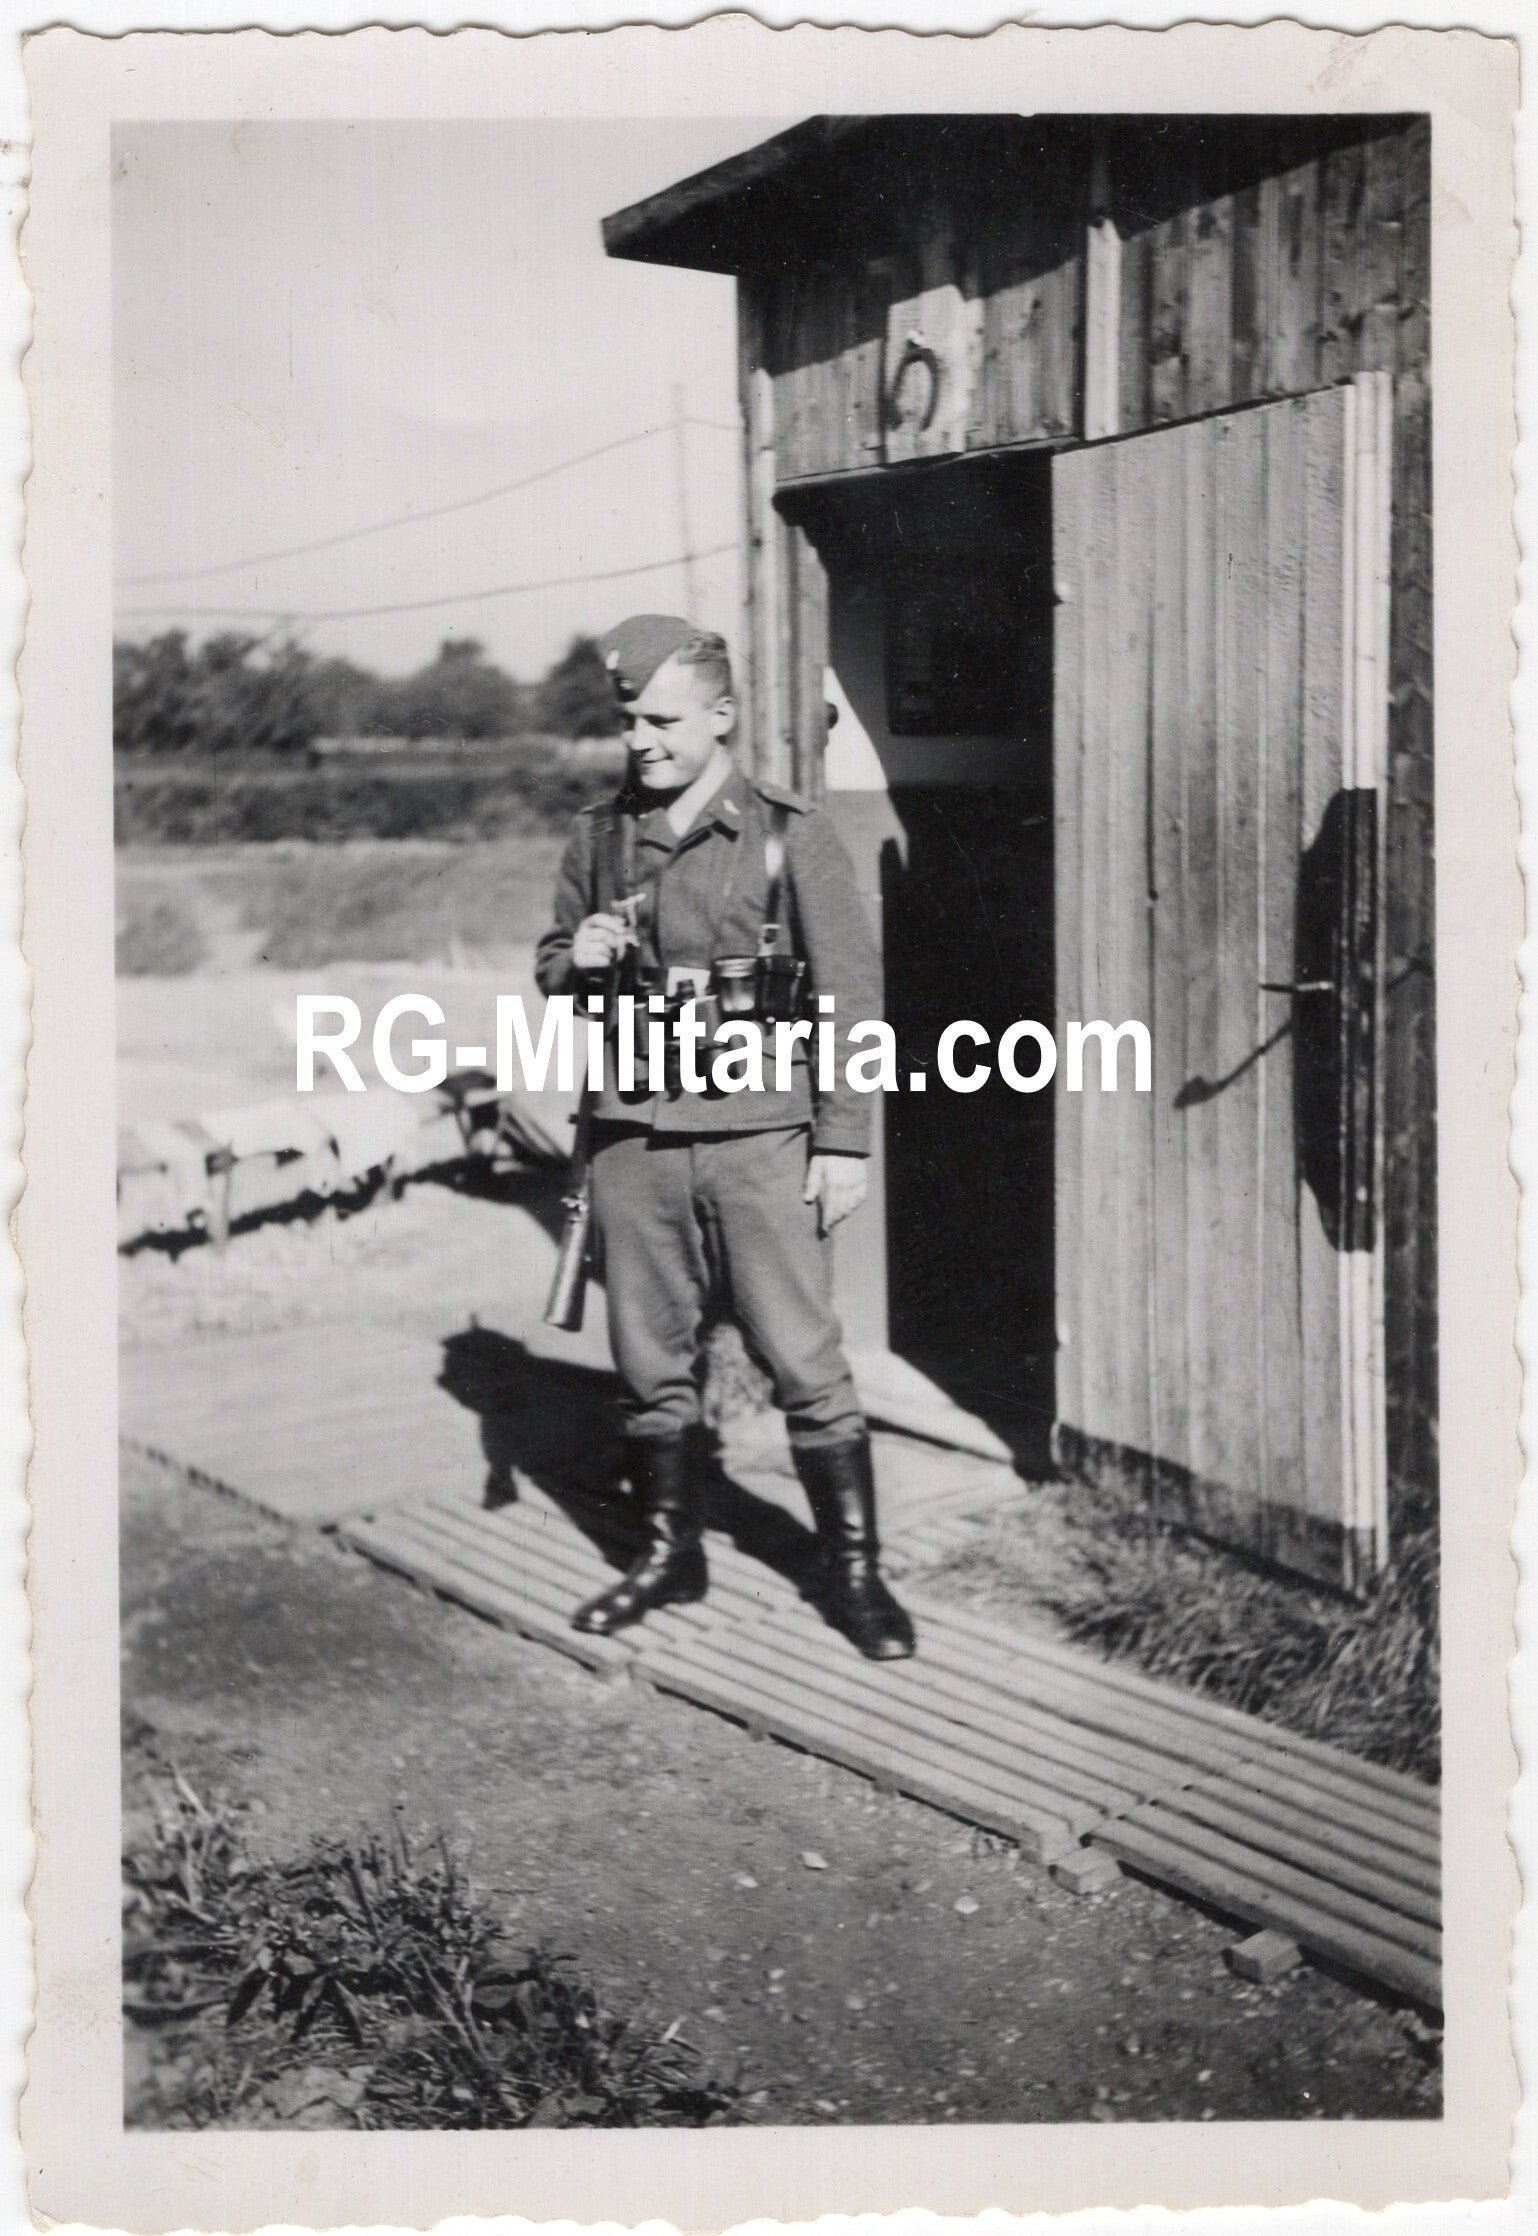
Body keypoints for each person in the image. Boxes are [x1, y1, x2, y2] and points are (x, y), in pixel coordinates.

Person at [534, 613, 916, 1661]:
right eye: (627, 720)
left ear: (721, 716)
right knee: (648, 1357)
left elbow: (850, 999)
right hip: (629, 1138)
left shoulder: (789, 833)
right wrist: (582, 954)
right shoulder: (598, 834)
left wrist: (843, 1139)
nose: (641, 739)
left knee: (801, 1355)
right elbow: (550, 961)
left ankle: (852, 1572)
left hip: (758, 1136)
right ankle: (668, 1551)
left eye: (662, 719)